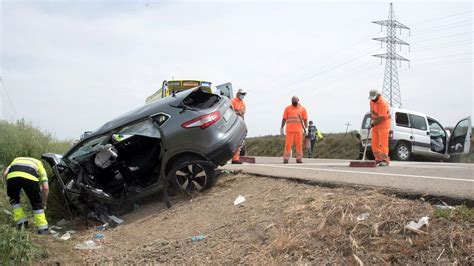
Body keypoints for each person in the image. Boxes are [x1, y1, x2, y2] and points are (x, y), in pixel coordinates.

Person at [3, 157, 49, 234]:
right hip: (30, 178)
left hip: (12, 176)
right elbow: (46, 187)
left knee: (14, 200)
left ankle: (22, 223)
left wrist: (10, 186)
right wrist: (44, 202)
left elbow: (5, 173)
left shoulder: (16, 159)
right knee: (36, 202)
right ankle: (42, 229)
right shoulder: (39, 164)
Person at [281, 96, 308, 164]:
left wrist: (306, 128)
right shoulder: (287, 108)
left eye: (295, 101)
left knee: (299, 146)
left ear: (298, 100)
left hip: (299, 131)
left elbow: (305, 119)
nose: (294, 103)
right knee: (288, 145)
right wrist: (281, 128)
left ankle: (299, 159)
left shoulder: (302, 109)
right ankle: (286, 159)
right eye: (292, 101)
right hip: (289, 131)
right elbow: (284, 119)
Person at [369, 90, 391, 166]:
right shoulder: (372, 101)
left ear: (378, 95)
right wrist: (371, 120)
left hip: (384, 124)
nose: (373, 99)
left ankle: (385, 160)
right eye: (371, 98)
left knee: (383, 143)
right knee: (374, 142)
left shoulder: (383, 103)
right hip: (375, 124)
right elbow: (371, 111)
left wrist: (372, 124)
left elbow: (382, 117)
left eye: (374, 98)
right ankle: (378, 159)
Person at [231, 88, 247, 164]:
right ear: (238, 93)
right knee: (237, 140)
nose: (243, 95)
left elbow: (244, 112)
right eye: (242, 94)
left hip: (241, 122)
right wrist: (238, 112)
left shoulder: (243, 102)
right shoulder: (233, 101)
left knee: (240, 141)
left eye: (244, 94)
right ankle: (235, 159)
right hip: (234, 122)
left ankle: (236, 159)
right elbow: (231, 111)